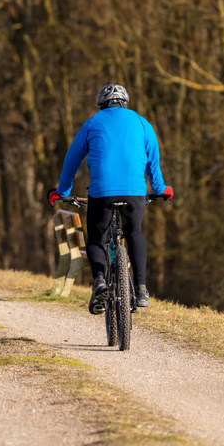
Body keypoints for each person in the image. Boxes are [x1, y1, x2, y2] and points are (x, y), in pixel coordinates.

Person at [47, 84, 173, 314]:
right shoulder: (143, 123)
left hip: (101, 192)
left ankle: (100, 282)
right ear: (125, 102)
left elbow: (71, 161)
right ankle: (142, 288)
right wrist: (161, 189)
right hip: (135, 192)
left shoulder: (92, 123)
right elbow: (152, 164)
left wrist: (62, 192)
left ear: (101, 104)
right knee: (134, 232)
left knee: (96, 238)